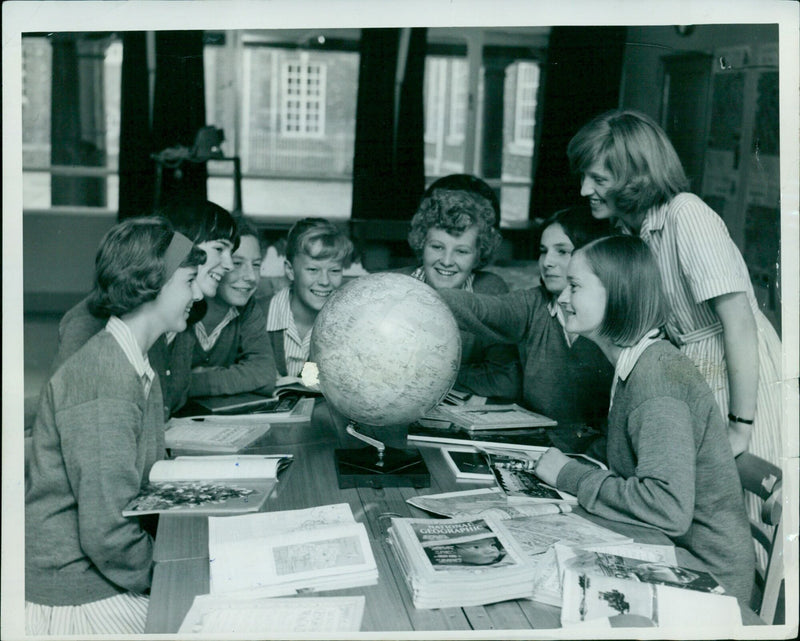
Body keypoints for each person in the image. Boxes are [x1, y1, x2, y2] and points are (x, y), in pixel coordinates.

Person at [533, 235, 754, 604]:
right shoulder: (639, 362)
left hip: (707, 578)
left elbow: (667, 508)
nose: (563, 298)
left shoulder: (657, 381)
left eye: (575, 286)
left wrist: (568, 475)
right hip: (665, 549)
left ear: (618, 293)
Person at [567, 109, 782, 465]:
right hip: (691, 372)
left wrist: (741, 427)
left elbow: (740, 323)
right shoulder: (628, 232)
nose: (584, 190)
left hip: (738, 376)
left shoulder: (686, 214)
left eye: (598, 179)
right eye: (585, 177)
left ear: (634, 177)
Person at [26, 218, 205, 634]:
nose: (196, 295)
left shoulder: (133, 361)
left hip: (101, 573)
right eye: (189, 281)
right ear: (152, 283)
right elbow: (107, 532)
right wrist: (171, 577)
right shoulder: (105, 378)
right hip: (75, 592)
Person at [436, 205, 614, 451]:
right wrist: (417, 296)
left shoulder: (616, 317)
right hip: (535, 451)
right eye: (543, 251)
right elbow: (482, 309)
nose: (547, 262)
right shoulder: (534, 304)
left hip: (588, 465)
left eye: (562, 251)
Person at [53, 200, 239, 418]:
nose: (229, 265)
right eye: (219, 249)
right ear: (180, 244)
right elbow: (74, 409)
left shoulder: (185, 316)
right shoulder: (91, 321)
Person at [403, 185, 520, 400]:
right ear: (421, 244)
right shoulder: (392, 287)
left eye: (462, 251)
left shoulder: (490, 290)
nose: (447, 261)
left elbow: (505, 382)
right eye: (437, 247)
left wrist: (423, 374)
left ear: (478, 255)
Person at [188, 216, 277, 398]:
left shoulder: (248, 308)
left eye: (256, 265)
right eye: (237, 263)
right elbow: (165, 387)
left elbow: (265, 374)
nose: (251, 276)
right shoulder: (181, 307)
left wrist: (196, 381)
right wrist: (234, 375)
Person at [262, 217, 354, 384]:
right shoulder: (257, 316)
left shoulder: (346, 326)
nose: (325, 281)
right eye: (312, 269)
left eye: (334, 270)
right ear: (290, 270)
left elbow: (312, 384)